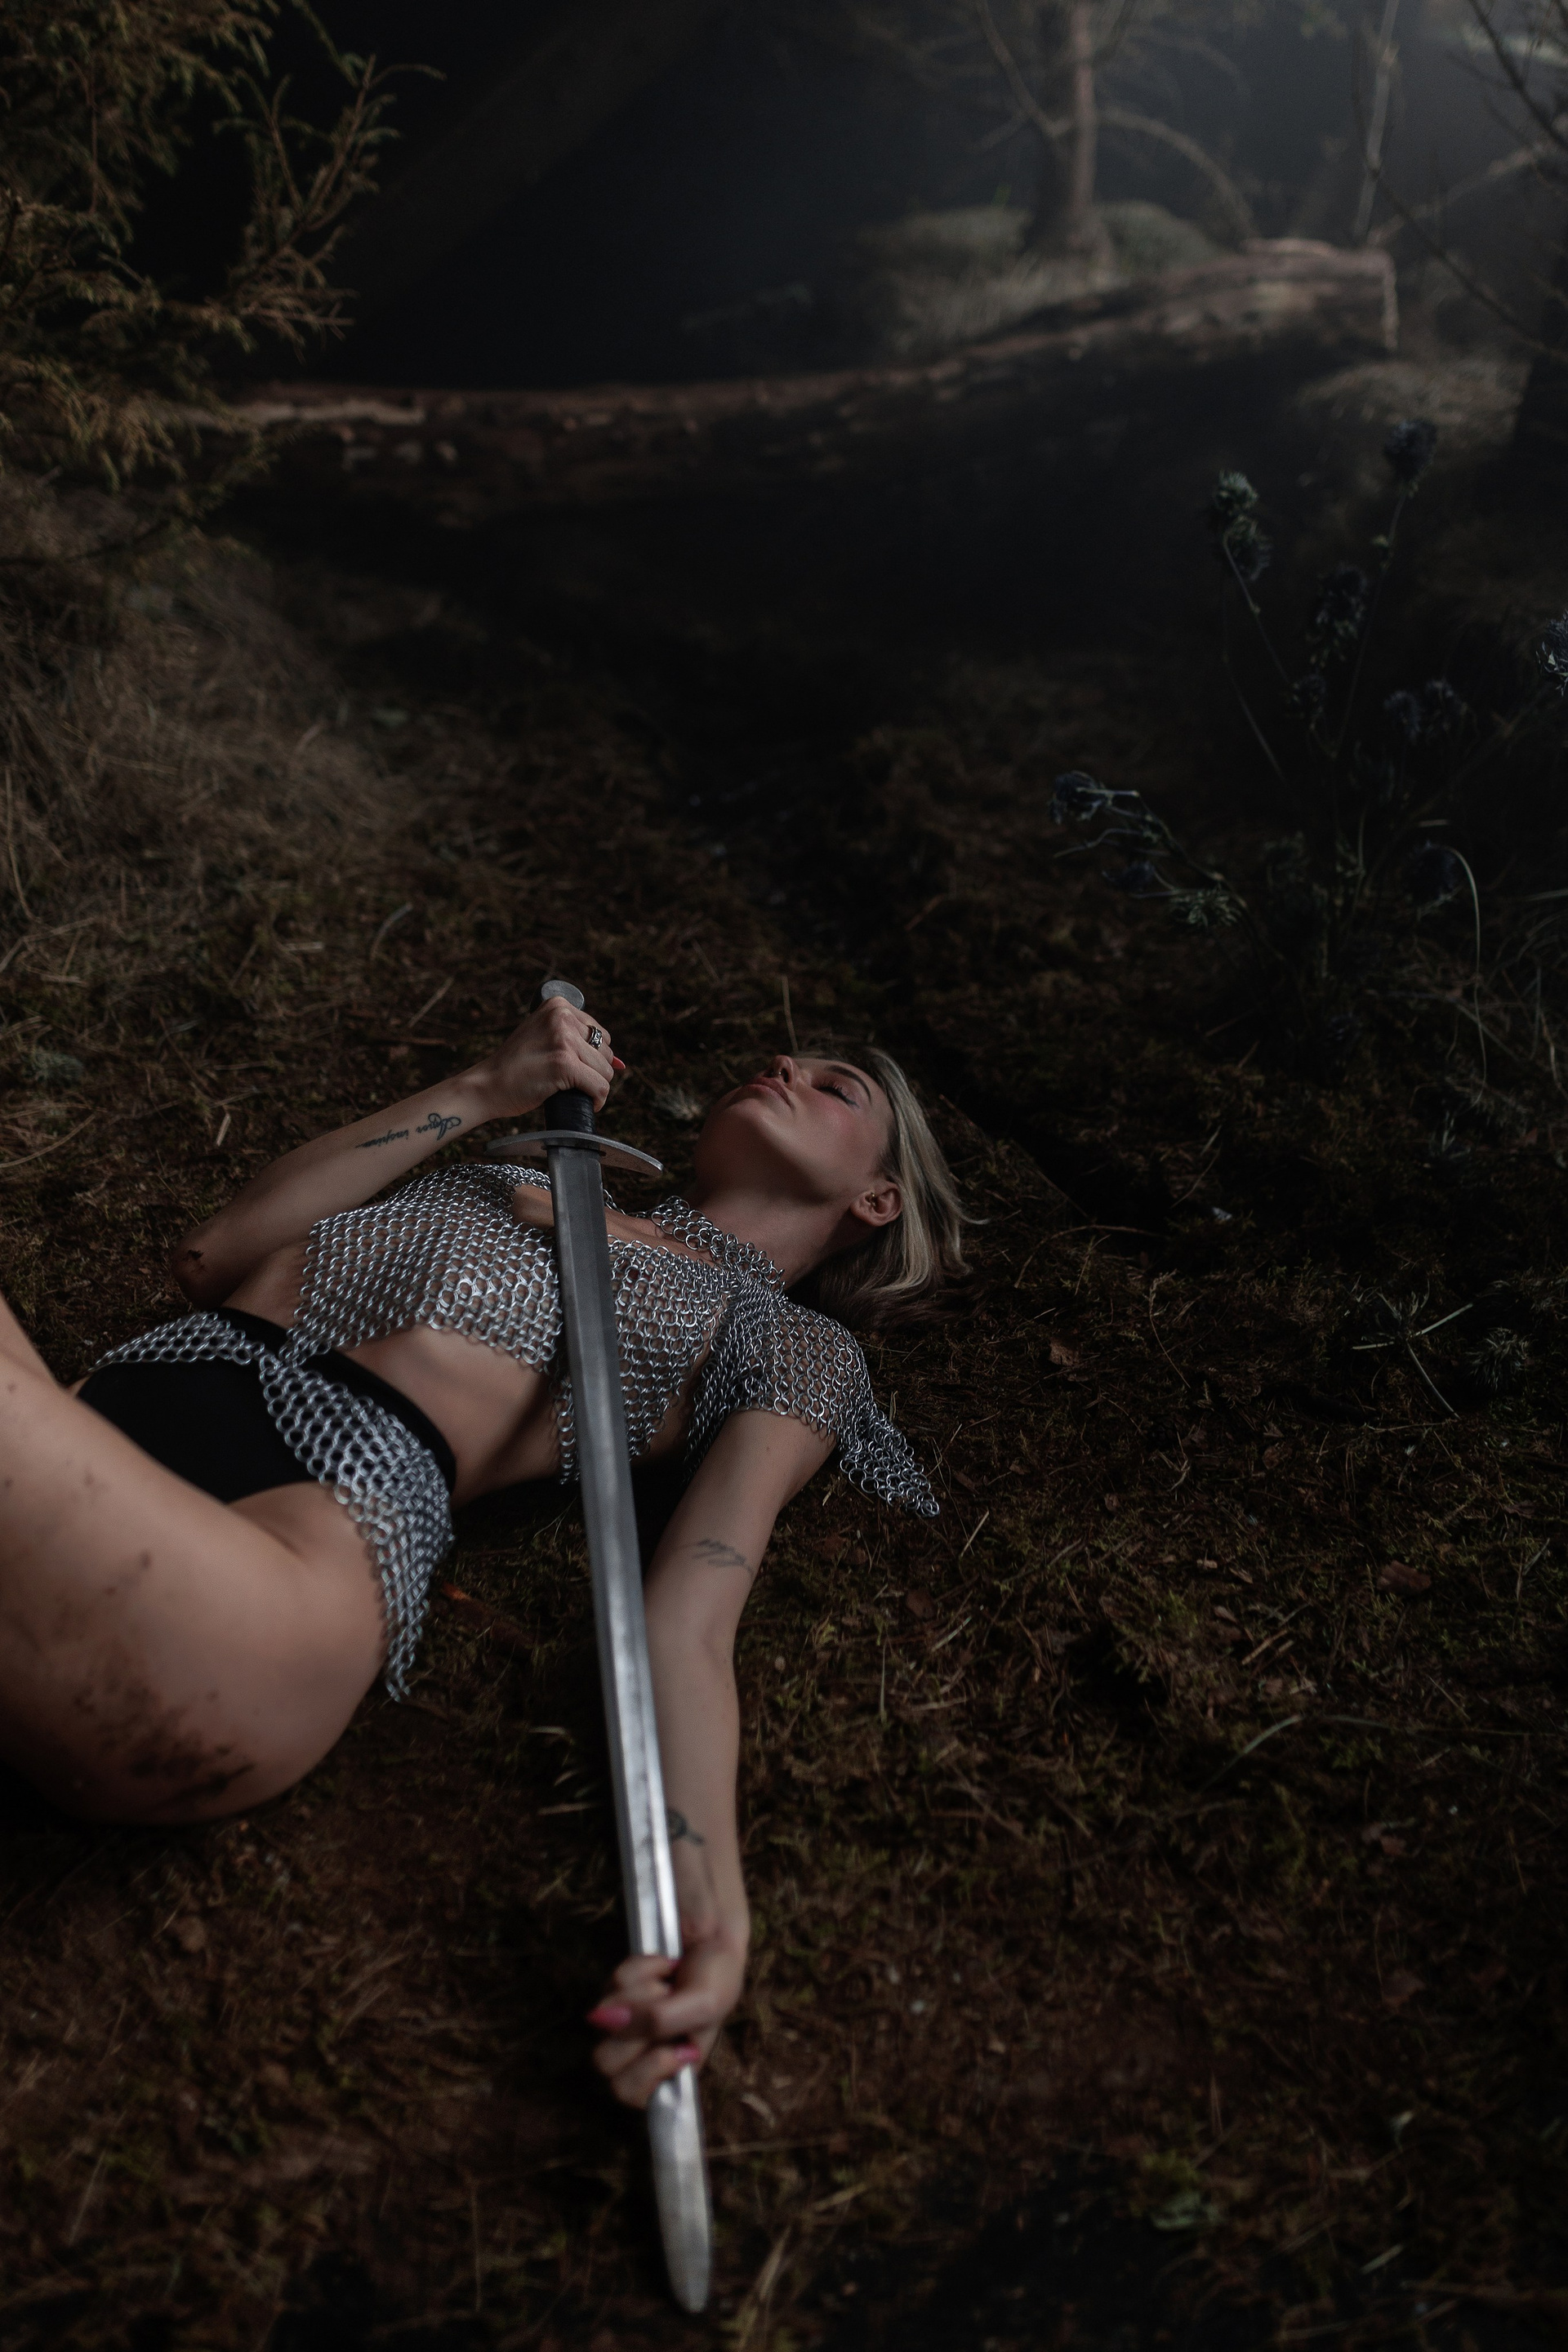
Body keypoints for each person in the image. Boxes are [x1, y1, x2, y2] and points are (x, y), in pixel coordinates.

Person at [0, 991, 964, 2108]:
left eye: (833, 1085)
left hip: (277, 1569)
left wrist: (705, 1908)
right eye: (785, 1057)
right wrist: (482, 1089)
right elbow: (217, 1255)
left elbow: (686, 1623)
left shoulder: (793, 1345)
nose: (785, 1065)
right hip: (92, 1437)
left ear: (878, 1199)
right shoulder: (522, 1173)